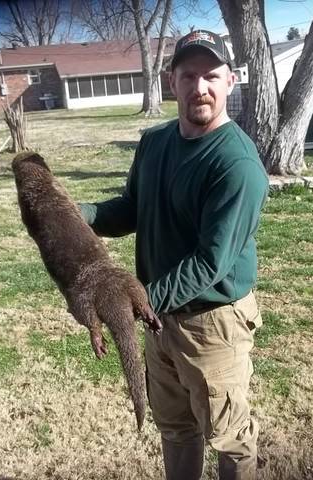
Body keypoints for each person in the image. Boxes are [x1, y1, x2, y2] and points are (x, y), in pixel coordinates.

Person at [79, 29, 269, 480]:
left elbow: (210, 262)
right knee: (176, 429)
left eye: (211, 76)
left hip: (213, 323)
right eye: (188, 76)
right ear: (172, 82)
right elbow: (132, 207)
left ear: (230, 81)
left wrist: (138, 303)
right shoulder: (154, 142)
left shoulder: (237, 165)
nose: (199, 87)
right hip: (159, 317)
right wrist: (76, 215)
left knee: (230, 439)